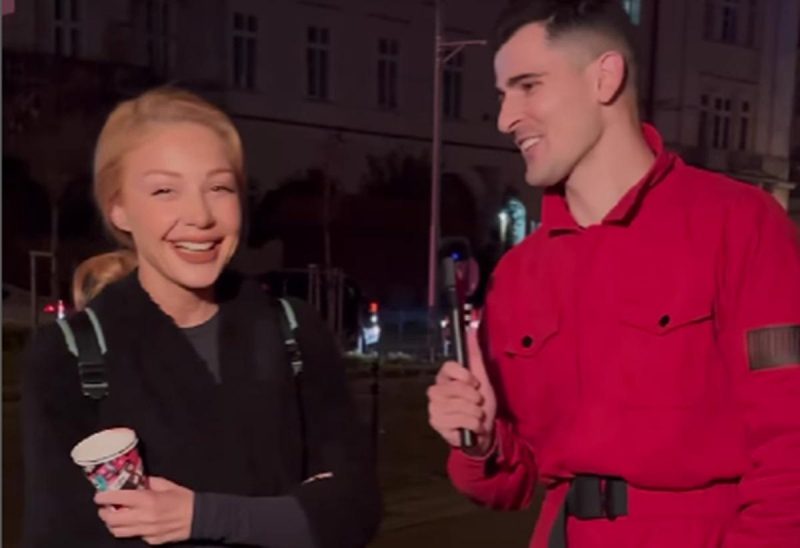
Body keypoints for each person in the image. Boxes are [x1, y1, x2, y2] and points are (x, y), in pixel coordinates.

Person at [427, 1, 800, 547]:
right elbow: (515, 481)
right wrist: (481, 440)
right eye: (503, 95)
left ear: (605, 77)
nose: (506, 118)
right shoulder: (518, 274)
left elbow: (790, 450)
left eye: (528, 86)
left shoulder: (739, 224)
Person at [21, 87, 381, 548]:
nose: (200, 215)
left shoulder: (294, 331)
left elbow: (356, 511)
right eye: (165, 191)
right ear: (119, 208)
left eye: (219, 188)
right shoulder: (68, 358)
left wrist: (201, 517)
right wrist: (292, 514)